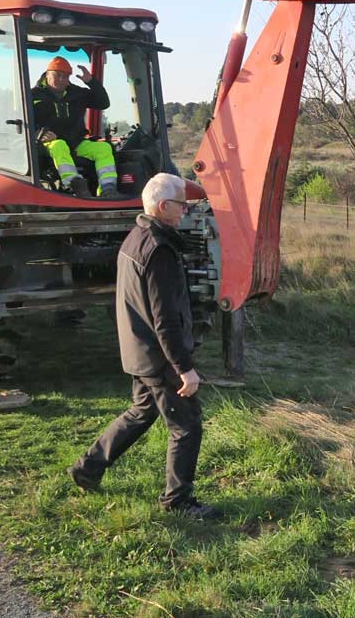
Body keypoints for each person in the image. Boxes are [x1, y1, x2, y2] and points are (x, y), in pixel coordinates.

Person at [67, 173, 216, 519]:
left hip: (138, 350)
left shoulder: (135, 238)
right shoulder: (160, 250)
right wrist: (184, 368)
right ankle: (177, 501)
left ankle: (87, 468)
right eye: (182, 204)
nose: (185, 211)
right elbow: (164, 319)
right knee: (187, 425)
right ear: (164, 207)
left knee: (141, 412)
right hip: (159, 356)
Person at [32, 56, 120, 197]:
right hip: (47, 145)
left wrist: (91, 82)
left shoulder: (77, 93)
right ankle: (76, 186)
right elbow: (23, 123)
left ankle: (107, 189)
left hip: (75, 143)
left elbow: (103, 103)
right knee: (59, 145)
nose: (61, 79)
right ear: (47, 74)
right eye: (57, 75)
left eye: (65, 76)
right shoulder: (32, 95)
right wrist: (38, 134)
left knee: (103, 148)